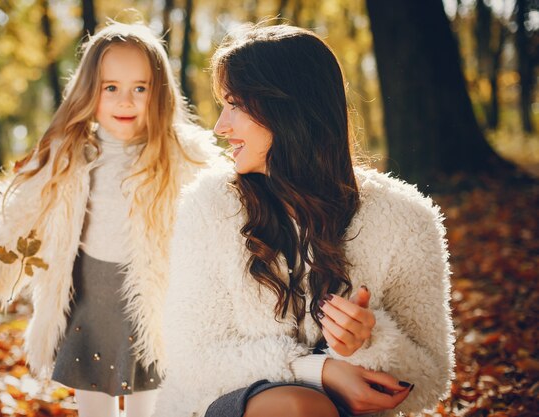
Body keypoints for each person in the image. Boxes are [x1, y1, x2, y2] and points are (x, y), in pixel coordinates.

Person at [153, 24, 454, 417]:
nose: (220, 126)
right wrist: (319, 371)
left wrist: (368, 341)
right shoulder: (211, 205)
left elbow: (431, 379)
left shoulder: (404, 219)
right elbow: (190, 355)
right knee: (298, 405)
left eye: (236, 105)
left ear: (290, 109)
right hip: (216, 402)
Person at [0, 21, 220, 417]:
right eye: (110, 87)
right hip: (88, 293)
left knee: (148, 403)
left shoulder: (182, 157)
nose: (126, 101)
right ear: (89, 91)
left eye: (140, 88)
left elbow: (217, 216)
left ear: (159, 93)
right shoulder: (65, 157)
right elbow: (20, 227)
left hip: (154, 298)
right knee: (93, 403)